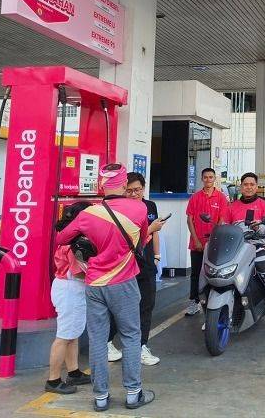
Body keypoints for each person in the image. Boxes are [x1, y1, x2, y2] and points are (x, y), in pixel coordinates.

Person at [57, 164, 155, 412]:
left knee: (98, 340)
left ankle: (101, 397)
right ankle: (133, 394)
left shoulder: (89, 214)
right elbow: (142, 242)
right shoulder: (139, 208)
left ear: (102, 185)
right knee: (131, 337)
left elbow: (60, 239)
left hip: (94, 283)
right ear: (124, 185)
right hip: (123, 283)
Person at [106, 173, 165, 366]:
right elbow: (126, 238)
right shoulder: (118, 210)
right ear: (123, 190)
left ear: (143, 189)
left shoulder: (150, 207)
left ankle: (141, 347)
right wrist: (150, 228)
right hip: (124, 265)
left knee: (146, 305)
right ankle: (107, 342)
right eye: (129, 190)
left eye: (137, 190)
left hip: (146, 263)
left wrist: (157, 256)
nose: (134, 194)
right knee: (120, 307)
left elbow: (155, 232)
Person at [221, 172, 265, 334]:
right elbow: (224, 226)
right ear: (241, 186)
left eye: (252, 184)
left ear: (256, 187)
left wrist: (259, 226)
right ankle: (214, 314)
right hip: (235, 248)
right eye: (246, 184)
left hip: (257, 246)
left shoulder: (264, 205)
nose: (249, 187)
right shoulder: (232, 206)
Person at [46, 202, 92, 394]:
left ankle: (73, 372)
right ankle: (53, 380)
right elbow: (79, 272)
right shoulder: (75, 242)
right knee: (64, 336)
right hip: (70, 289)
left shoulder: (69, 236)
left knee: (72, 334)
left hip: (68, 288)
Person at [184, 167, 228, 317]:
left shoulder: (221, 198)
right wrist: (196, 240)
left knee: (212, 274)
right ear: (201, 179)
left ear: (214, 178)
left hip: (214, 245)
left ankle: (211, 303)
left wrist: (214, 241)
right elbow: (190, 219)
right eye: (205, 177)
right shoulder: (195, 197)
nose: (208, 180)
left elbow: (222, 220)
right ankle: (193, 302)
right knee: (195, 274)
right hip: (196, 244)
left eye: (211, 177)